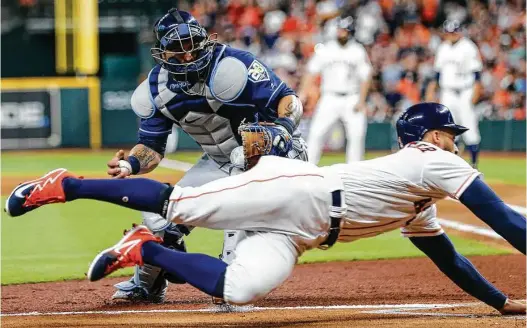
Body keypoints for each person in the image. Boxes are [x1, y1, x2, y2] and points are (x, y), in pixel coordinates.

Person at [5, 103, 525, 314]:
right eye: (450, 133)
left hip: (302, 234)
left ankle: (146, 252)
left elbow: (449, 260)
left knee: (241, 289)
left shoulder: (424, 195)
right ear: (432, 136)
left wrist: (501, 303)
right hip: (298, 191)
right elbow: (502, 219)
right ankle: (66, 185)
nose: (455, 141)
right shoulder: (435, 160)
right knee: (178, 205)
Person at [98, 8, 307, 303]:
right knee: (158, 216)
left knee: (239, 168)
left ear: (205, 41)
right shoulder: (156, 89)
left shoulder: (233, 65)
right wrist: (130, 163)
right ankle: (148, 283)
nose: (186, 55)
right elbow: (152, 149)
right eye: (176, 48)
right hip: (219, 161)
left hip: (270, 157)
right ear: (161, 52)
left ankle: (232, 275)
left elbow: (288, 99)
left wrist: (283, 129)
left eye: (191, 45)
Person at [299, 16, 372, 164]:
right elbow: (311, 71)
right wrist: (302, 93)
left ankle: (354, 172)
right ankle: (308, 167)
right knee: (316, 133)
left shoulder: (357, 50)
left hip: (352, 97)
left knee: (356, 136)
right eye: (339, 29)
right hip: (329, 97)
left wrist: (362, 100)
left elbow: (366, 76)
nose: (341, 32)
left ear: (351, 31)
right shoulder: (327, 49)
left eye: (344, 29)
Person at [425, 19, 483, 168]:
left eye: (453, 32)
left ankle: (474, 164)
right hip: (448, 91)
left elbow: (477, 74)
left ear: (459, 31)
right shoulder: (443, 48)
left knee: (470, 128)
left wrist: (476, 91)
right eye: (448, 32)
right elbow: (437, 74)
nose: (451, 35)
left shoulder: (469, 47)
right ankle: (451, 164)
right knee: (447, 128)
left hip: (465, 91)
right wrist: (432, 90)